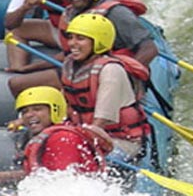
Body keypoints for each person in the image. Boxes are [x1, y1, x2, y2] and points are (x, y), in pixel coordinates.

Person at [7, 0, 158, 96]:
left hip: (104, 72)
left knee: (18, 84)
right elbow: (69, 55)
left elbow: (149, 48)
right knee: (17, 82)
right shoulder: (72, 12)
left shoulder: (117, 13)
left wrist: (122, 76)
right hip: (79, 69)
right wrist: (29, 68)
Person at [58, 14, 151, 162]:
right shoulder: (69, 66)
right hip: (86, 135)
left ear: (98, 42)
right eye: (71, 37)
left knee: (76, 158)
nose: (72, 43)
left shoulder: (110, 70)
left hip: (122, 142)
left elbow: (100, 122)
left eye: (80, 39)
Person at [0, 86, 112, 184]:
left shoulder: (63, 139)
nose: (29, 115)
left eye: (37, 109)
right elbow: (42, 175)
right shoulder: (46, 137)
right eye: (25, 111)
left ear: (55, 110)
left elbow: (63, 182)